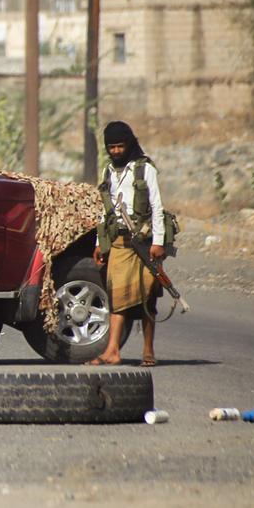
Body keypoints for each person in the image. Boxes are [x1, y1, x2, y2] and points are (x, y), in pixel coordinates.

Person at [89, 120, 166, 367]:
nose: (116, 152)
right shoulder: (108, 171)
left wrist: (159, 241)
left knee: (148, 299)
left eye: (120, 146)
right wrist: (100, 243)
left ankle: (148, 351)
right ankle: (113, 350)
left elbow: (157, 206)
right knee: (117, 297)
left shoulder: (144, 169)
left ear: (129, 144)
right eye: (111, 147)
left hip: (145, 242)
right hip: (120, 243)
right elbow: (105, 210)